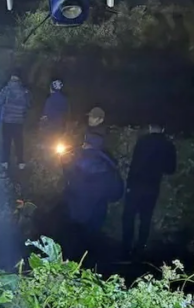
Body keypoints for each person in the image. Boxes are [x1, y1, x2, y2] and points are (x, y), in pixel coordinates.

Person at [60, 107, 124, 266]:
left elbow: (67, 180)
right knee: (90, 252)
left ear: (86, 143)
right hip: (96, 216)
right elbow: (116, 194)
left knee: (72, 251)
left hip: (75, 215)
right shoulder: (108, 166)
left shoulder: (74, 161)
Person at [121, 124, 176, 259]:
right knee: (145, 218)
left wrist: (129, 183)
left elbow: (135, 164)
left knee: (128, 216)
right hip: (152, 186)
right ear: (163, 129)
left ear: (151, 127)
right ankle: (140, 248)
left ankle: (126, 247)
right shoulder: (168, 145)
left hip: (136, 184)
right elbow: (171, 169)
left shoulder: (142, 141)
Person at [0, 70, 30, 171]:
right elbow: (28, 104)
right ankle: (20, 162)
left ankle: (5, 162)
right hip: (19, 120)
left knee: (6, 141)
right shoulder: (24, 90)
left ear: (11, 78)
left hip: (7, 120)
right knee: (19, 142)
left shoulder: (6, 89)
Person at [39, 78, 70, 143]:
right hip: (60, 126)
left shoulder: (49, 100)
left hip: (50, 127)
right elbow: (66, 112)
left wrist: (42, 124)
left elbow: (45, 114)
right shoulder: (65, 99)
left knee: (49, 144)